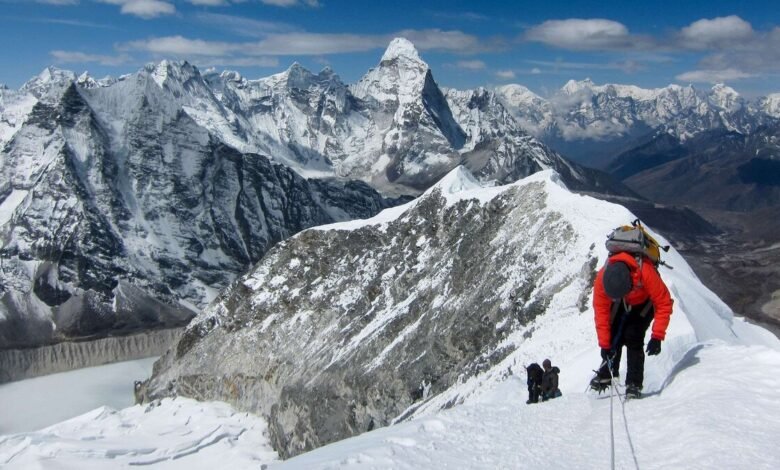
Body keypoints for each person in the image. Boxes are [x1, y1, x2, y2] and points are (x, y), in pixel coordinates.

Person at [590, 251, 673, 398]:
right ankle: (608, 372)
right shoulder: (602, 279)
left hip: (645, 302)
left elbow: (664, 303)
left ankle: (634, 383)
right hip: (623, 301)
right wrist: (604, 345)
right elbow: (601, 313)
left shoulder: (645, 272)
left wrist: (657, 336)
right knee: (614, 333)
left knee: (633, 336)